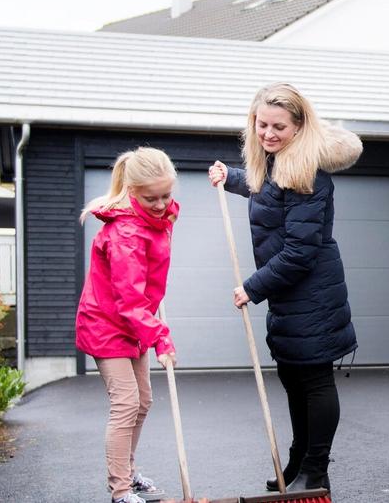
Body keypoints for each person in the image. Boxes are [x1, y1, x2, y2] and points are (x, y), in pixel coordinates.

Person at [208, 82, 362, 493]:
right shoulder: (276, 164)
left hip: (313, 294)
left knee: (313, 380)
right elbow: (266, 189)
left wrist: (251, 287)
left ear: (299, 127)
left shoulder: (307, 173)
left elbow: (299, 252)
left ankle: (316, 470)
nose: (269, 134)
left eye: (279, 127)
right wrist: (232, 177)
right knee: (294, 378)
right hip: (290, 295)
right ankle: (297, 465)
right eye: (262, 125)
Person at [76, 147, 180, 503]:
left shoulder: (156, 221)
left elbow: (142, 288)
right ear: (132, 191)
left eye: (166, 195)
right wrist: (162, 339)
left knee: (144, 401)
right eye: (151, 198)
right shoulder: (126, 235)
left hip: (133, 322)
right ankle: (120, 490)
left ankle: (130, 473)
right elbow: (129, 300)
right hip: (107, 324)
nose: (161, 204)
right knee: (126, 403)